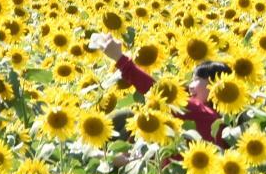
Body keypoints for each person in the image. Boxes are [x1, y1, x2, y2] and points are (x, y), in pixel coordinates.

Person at [91, 32, 231, 149]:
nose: (190, 86)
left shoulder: (205, 115)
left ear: (216, 84)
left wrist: (121, 59)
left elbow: (158, 92)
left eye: (196, 79)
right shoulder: (220, 123)